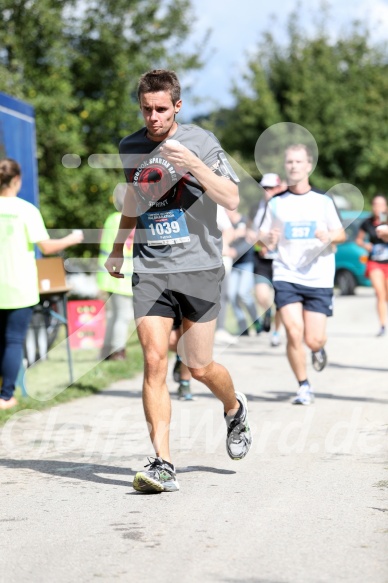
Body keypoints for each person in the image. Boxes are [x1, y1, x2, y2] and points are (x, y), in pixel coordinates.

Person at [105, 70, 252, 493]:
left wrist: (191, 164)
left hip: (199, 266)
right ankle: (163, 462)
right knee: (153, 361)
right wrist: (119, 247)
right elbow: (135, 199)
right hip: (150, 267)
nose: (153, 117)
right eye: (146, 109)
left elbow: (232, 197)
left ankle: (235, 408)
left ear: (178, 106)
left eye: (161, 109)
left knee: (198, 366)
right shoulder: (130, 146)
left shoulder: (202, 141)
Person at [259, 145, 345, 405]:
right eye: (289, 162)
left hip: (319, 277)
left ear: (309, 165)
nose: (294, 166)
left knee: (313, 338)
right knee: (293, 333)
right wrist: (268, 238)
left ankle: (318, 349)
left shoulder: (323, 201)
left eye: (298, 161)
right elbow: (263, 238)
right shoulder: (276, 203)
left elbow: (341, 234)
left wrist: (329, 235)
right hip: (286, 273)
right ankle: (303, 385)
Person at [0, 158, 84, 410]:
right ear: (17, 180)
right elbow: (46, 247)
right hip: (20, 288)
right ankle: (5, 396)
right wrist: (72, 238)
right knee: (13, 341)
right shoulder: (26, 210)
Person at [97, 189, 134, 360]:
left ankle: (106, 350)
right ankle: (118, 351)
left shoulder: (111, 219)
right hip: (122, 277)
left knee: (113, 316)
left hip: (109, 276)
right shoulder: (127, 221)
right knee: (123, 316)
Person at [250, 173, 283, 345]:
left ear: (279, 188)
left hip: (280, 260)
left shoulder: (285, 206)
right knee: (261, 295)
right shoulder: (257, 208)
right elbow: (253, 234)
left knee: (280, 300)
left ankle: (276, 332)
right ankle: (267, 312)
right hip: (262, 259)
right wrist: (260, 243)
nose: (267, 191)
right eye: (264, 187)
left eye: (270, 187)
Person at [355, 195, 388, 336]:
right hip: (374, 261)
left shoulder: (386, 221)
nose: (378, 207)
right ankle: (382, 326)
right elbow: (358, 240)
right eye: (375, 204)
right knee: (380, 294)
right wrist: (365, 245)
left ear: (385, 207)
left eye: (381, 205)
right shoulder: (367, 223)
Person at [226, 207, 259, 335]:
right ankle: (243, 326)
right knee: (232, 295)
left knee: (243, 293)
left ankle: (256, 321)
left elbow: (250, 240)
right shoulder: (224, 223)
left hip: (246, 262)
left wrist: (236, 251)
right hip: (233, 264)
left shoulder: (245, 220)